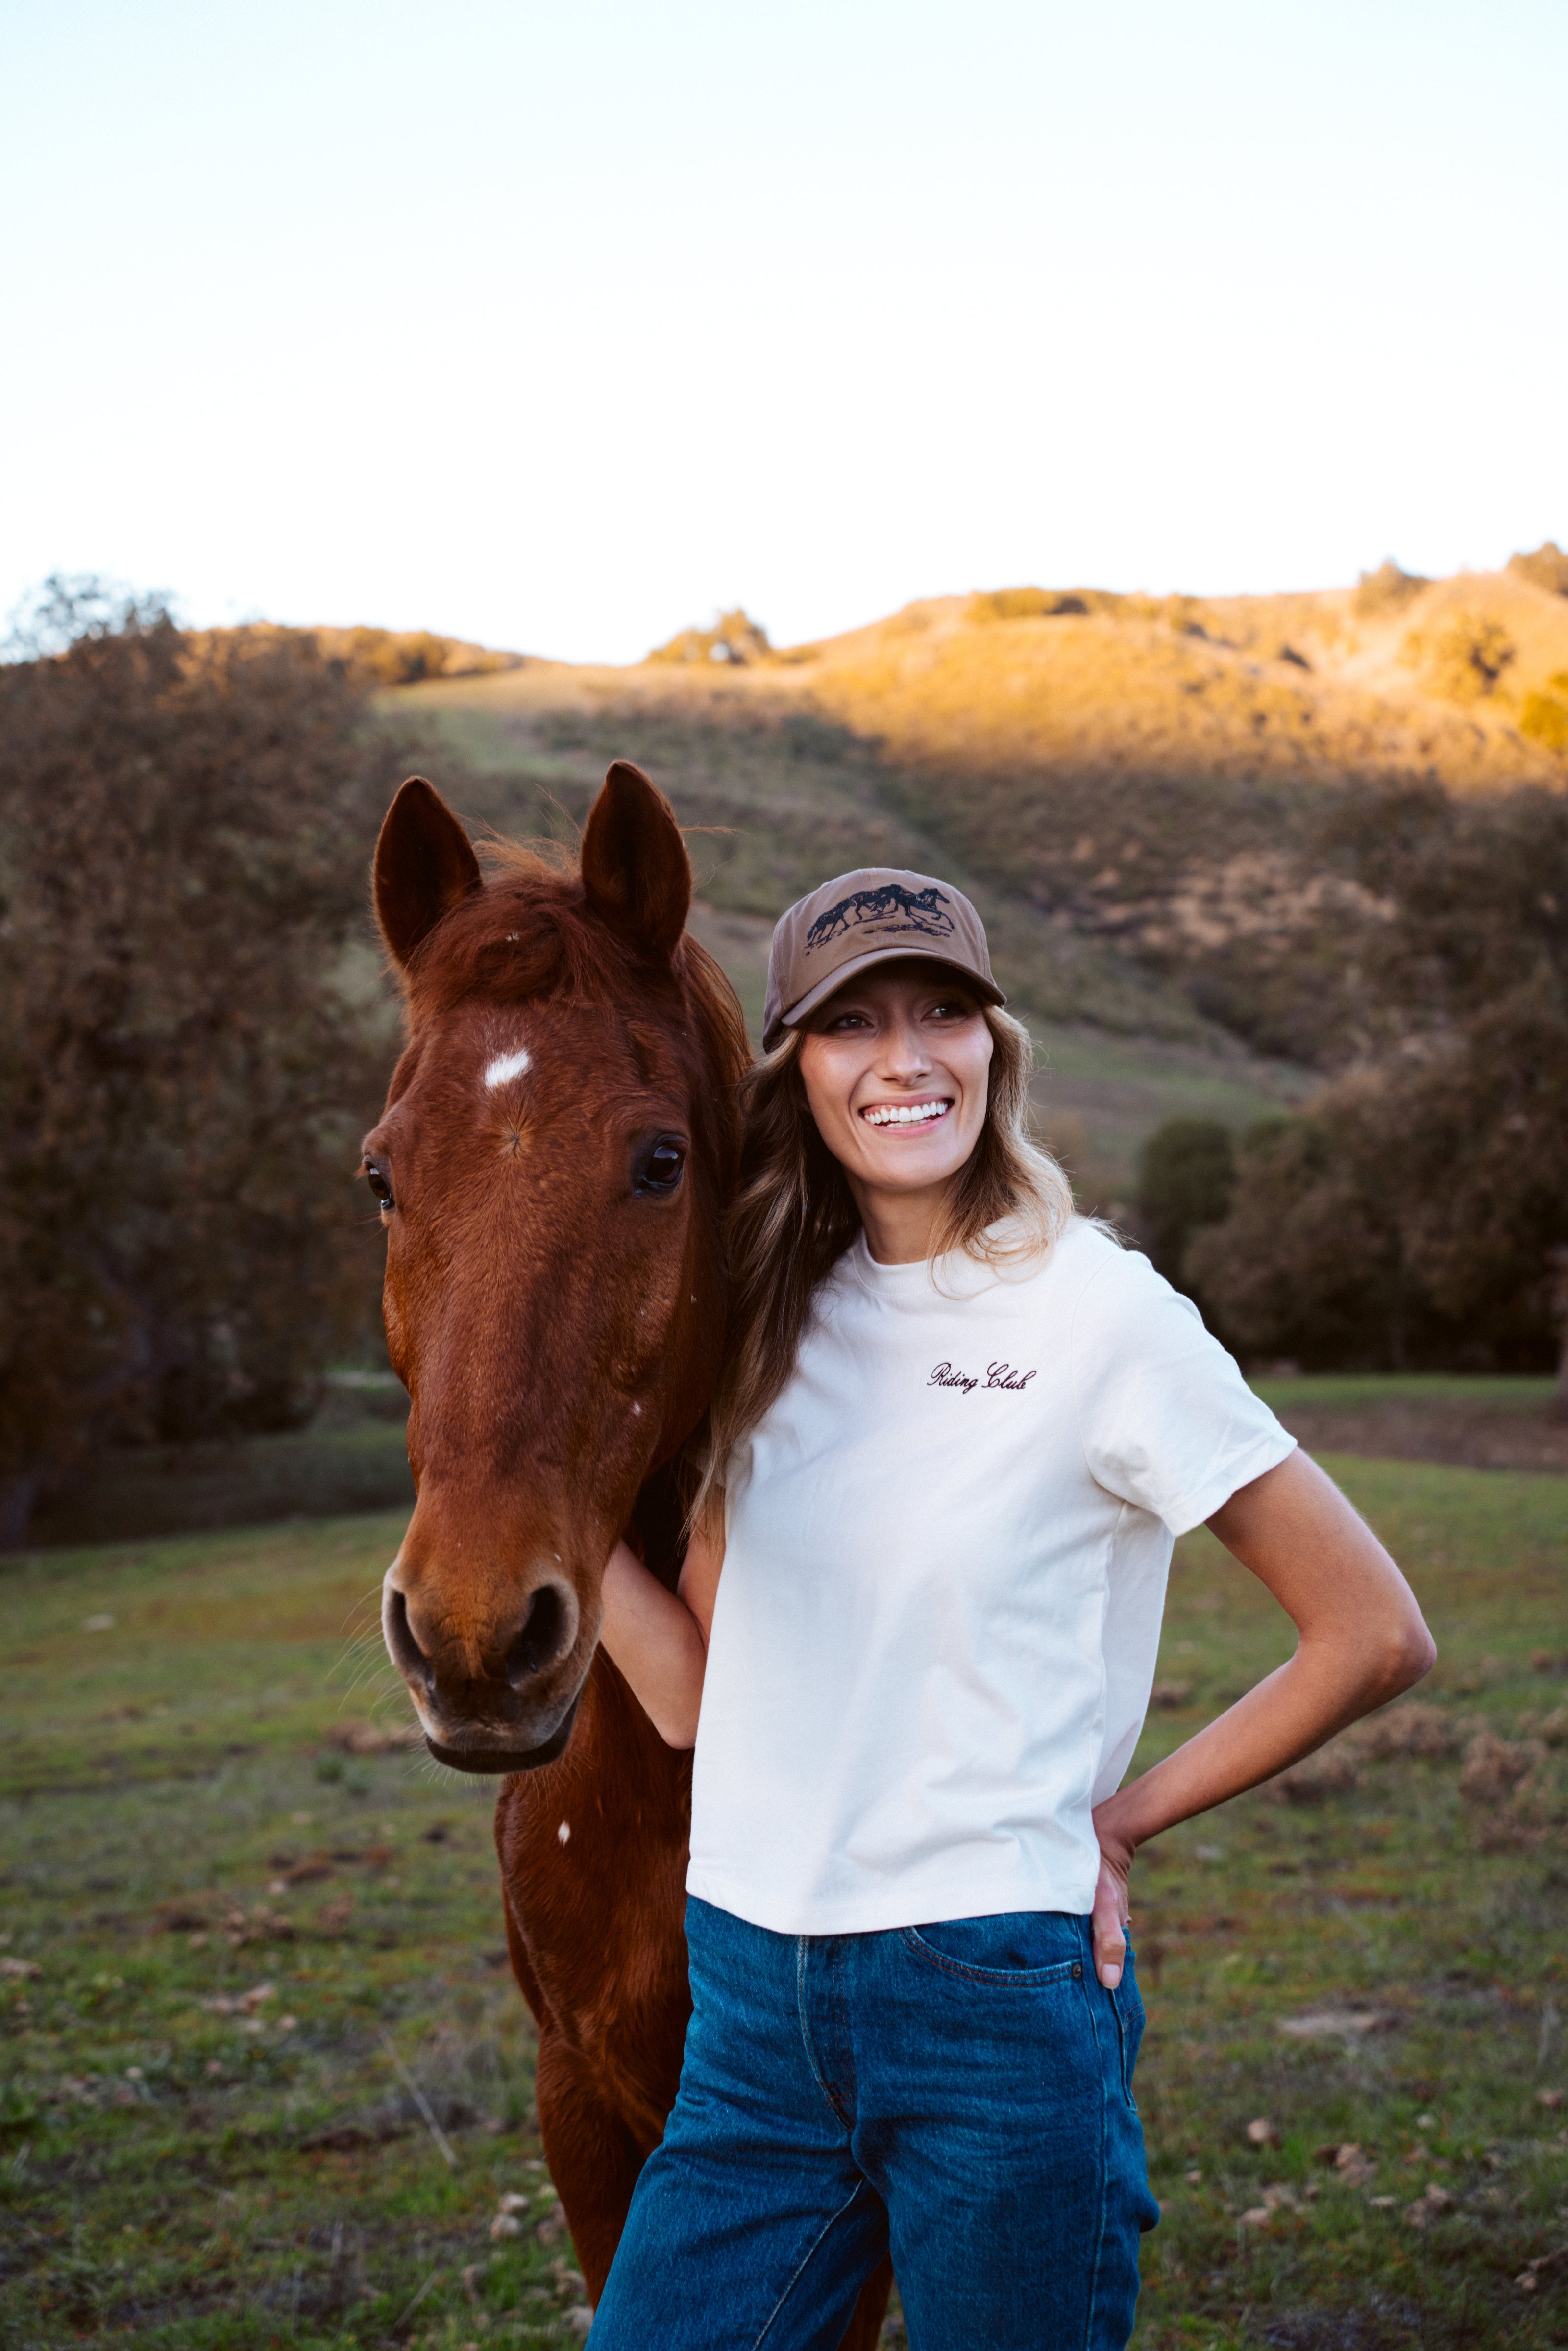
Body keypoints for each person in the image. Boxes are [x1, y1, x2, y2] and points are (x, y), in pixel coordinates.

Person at [588, 865, 1435, 2351]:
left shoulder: (1097, 1311)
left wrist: (1123, 1820)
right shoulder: (773, 1319)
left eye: (943, 1012)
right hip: (748, 2007)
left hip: (986, 1999)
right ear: (802, 1069)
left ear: (997, 1045)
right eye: (855, 1024)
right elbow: (696, 1701)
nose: (907, 1057)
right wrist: (525, 1495)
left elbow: (1370, 1632)